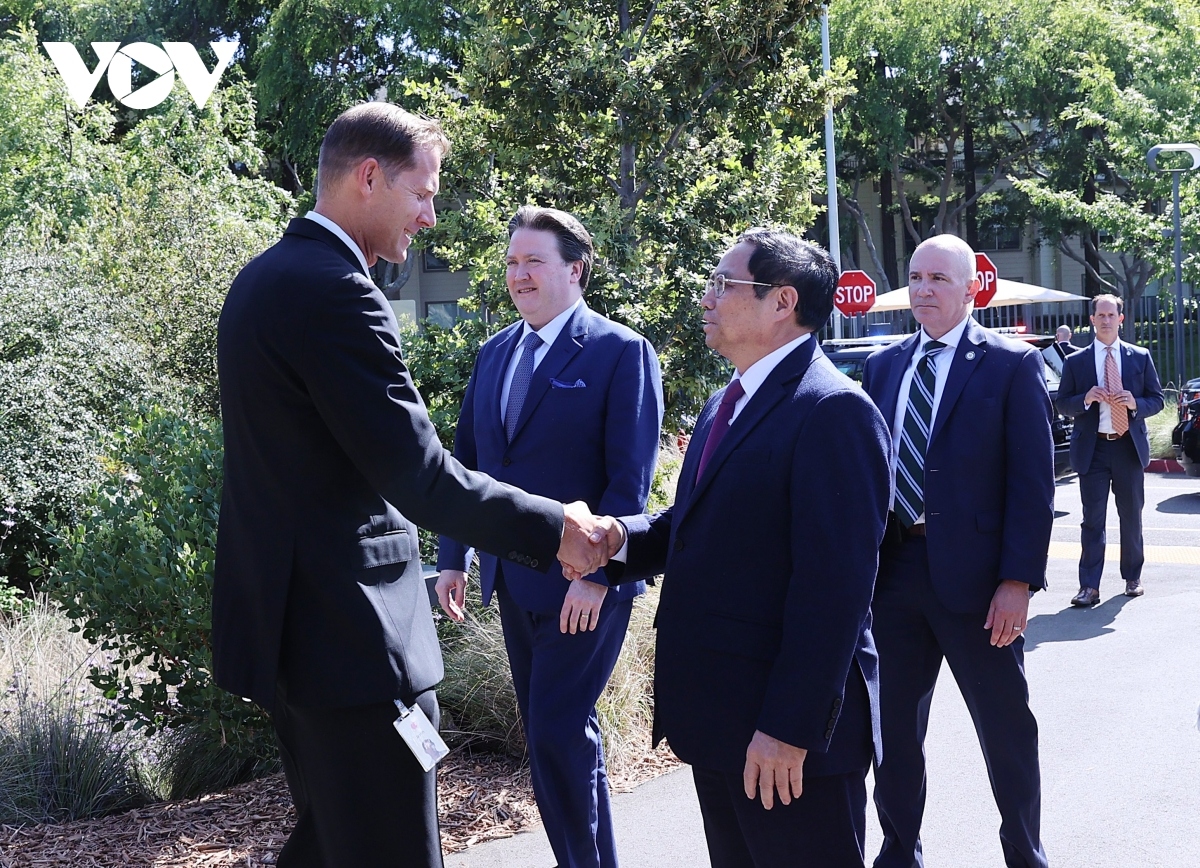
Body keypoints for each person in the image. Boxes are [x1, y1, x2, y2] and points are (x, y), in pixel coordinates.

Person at [212, 103, 605, 868]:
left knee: (335, 843)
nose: (429, 216)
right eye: (423, 193)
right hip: (353, 644)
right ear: (368, 178)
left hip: (299, 636)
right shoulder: (335, 291)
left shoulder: (264, 279)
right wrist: (558, 526)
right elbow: (418, 475)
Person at [589, 229, 892, 866]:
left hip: (785, 740)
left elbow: (833, 593)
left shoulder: (833, 410)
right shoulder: (726, 401)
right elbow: (696, 525)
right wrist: (617, 541)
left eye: (724, 284)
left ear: (782, 302)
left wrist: (787, 728)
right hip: (724, 723)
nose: (705, 297)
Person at [434, 206, 663, 868]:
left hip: (583, 587)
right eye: (511, 262)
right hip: (514, 579)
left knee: (559, 730)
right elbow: (468, 466)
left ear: (576, 269)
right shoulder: (496, 351)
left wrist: (598, 574)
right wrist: (454, 558)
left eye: (533, 261)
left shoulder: (621, 352)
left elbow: (629, 481)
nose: (519, 274)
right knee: (556, 736)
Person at [861, 234, 1054, 868]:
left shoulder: (1009, 365)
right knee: (893, 735)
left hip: (979, 587)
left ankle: (1024, 851)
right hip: (893, 577)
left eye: (939, 279)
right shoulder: (884, 365)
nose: (922, 290)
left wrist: (1017, 582)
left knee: (1004, 731)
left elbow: (1033, 483)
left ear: (973, 286)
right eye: (915, 278)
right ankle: (898, 851)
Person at [1056, 294, 1164, 606]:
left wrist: (1135, 404)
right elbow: (1062, 403)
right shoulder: (1075, 361)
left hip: (1127, 447)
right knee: (1093, 520)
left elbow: (1156, 399)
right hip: (1094, 450)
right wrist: (1086, 398)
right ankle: (1089, 586)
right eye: (1099, 315)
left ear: (1121, 318)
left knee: (1131, 516)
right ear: (1091, 320)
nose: (1105, 320)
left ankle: (1132, 576)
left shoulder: (1138, 357)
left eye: (1110, 315)